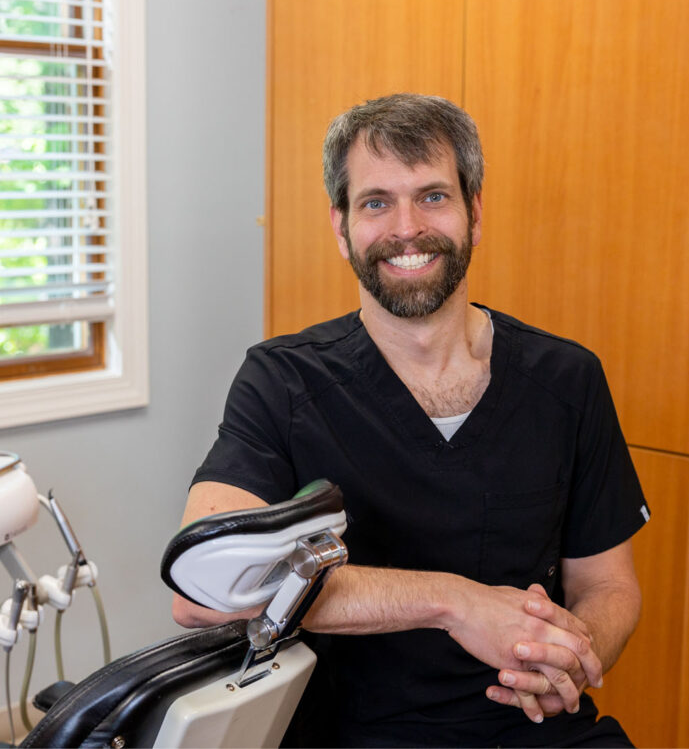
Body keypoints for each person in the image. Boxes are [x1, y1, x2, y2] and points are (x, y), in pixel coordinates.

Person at [173, 93, 649, 747]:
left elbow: (608, 582)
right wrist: (453, 601)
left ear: (473, 214)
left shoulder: (567, 380)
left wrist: (570, 649)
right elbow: (201, 590)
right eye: (376, 202)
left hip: (534, 726)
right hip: (354, 732)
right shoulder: (282, 382)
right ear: (340, 228)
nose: (407, 227)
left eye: (432, 196)